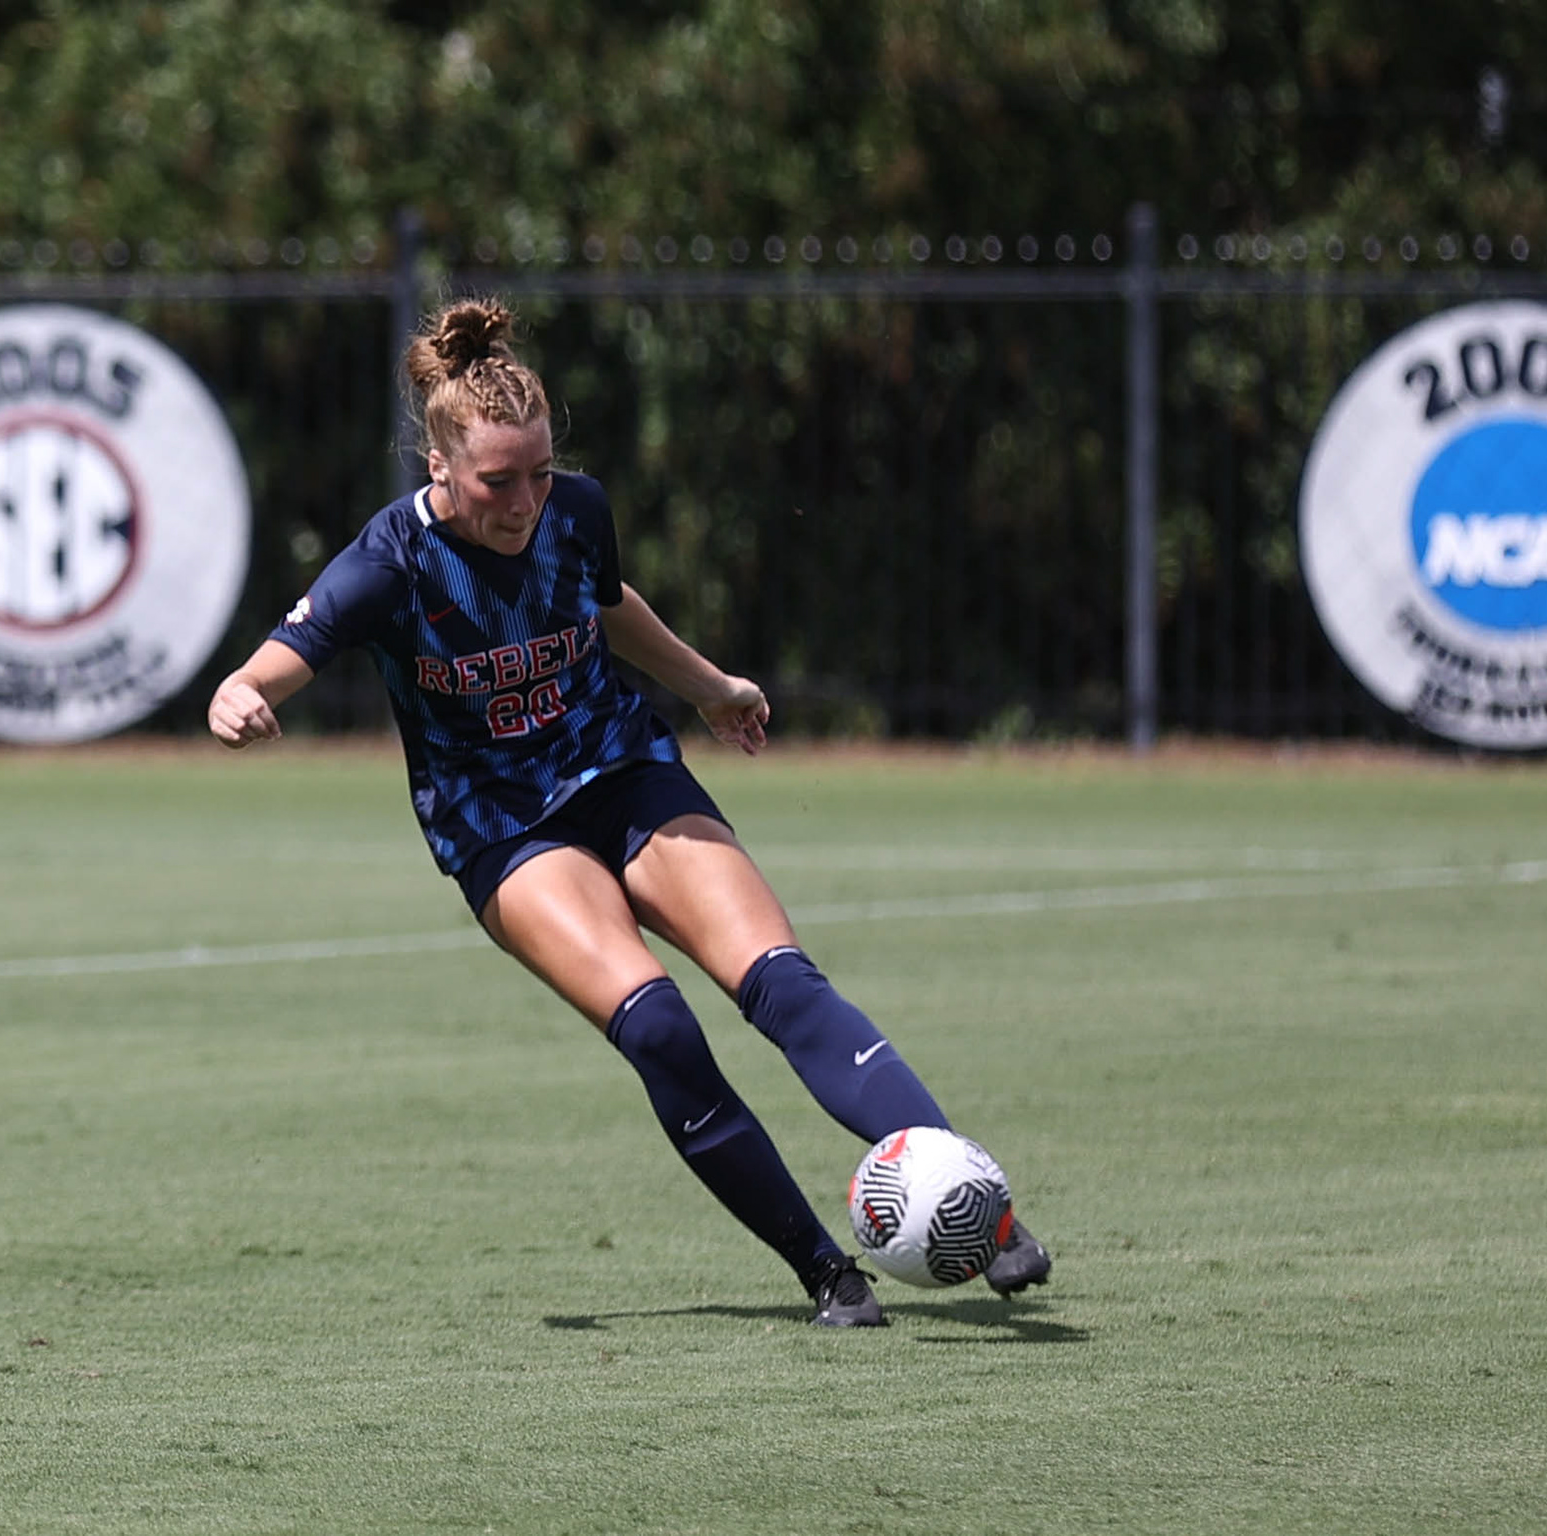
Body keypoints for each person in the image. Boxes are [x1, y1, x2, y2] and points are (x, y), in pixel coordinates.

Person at [207, 297, 1051, 1326]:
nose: (526, 501)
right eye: (498, 481)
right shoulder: (388, 562)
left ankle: (985, 1214)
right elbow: (276, 660)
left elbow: (607, 607)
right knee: (660, 1030)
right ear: (439, 469)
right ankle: (826, 1272)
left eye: (540, 472)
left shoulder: (576, 511)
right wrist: (238, 696)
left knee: (784, 986)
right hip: (503, 828)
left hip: (624, 770)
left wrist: (709, 687)